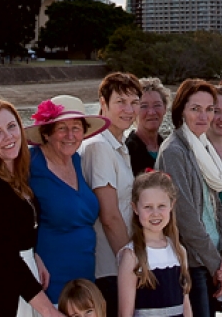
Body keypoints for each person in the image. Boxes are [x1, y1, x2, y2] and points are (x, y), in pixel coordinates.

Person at [0, 99, 63, 317]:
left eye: (11, 126)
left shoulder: (15, 177)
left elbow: (15, 231)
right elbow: (3, 255)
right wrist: (50, 312)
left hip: (20, 288)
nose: (8, 137)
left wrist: (33, 255)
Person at [154, 79, 222, 317]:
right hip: (193, 263)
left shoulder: (203, 147)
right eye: (195, 109)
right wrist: (216, 266)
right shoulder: (174, 152)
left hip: (210, 257)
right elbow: (185, 216)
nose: (204, 116)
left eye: (209, 109)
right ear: (181, 110)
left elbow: (216, 203)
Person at [28, 95, 111, 302]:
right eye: (61, 128)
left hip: (85, 280)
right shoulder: (29, 163)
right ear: (46, 134)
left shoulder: (76, 160)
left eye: (76, 128)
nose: (70, 135)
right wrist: (31, 254)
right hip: (49, 280)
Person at [81, 72, 142, 317]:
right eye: (120, 102)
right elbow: (109, 215)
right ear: (103, 104)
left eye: (134, 102)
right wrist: (132, 266)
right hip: (109, 266)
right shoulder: (99, 146)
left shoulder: (118, 145)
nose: (129, 109)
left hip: (119, 263)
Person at [117, 171, 193, 317]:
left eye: (161, 206)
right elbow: (124, 313)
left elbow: (186, 304)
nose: (155, 213)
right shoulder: (132, 256)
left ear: (172, 205)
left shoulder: (179, 251)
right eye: (148, 207)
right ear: (135, 208)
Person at [126, 78, 169, 175]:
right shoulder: (128, 151)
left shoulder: (169, 146)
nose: (151, 112)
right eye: (144, 106)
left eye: (157, 105)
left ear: (165, 108)